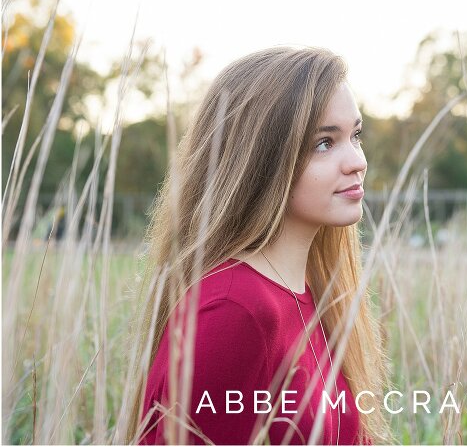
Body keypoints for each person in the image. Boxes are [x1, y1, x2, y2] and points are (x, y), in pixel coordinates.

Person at [124, 46, 391, 445]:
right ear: (262, 160)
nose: (356, 161)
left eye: (355, 136)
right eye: (324, 143)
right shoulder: (234, 311)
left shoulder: (311, 294)